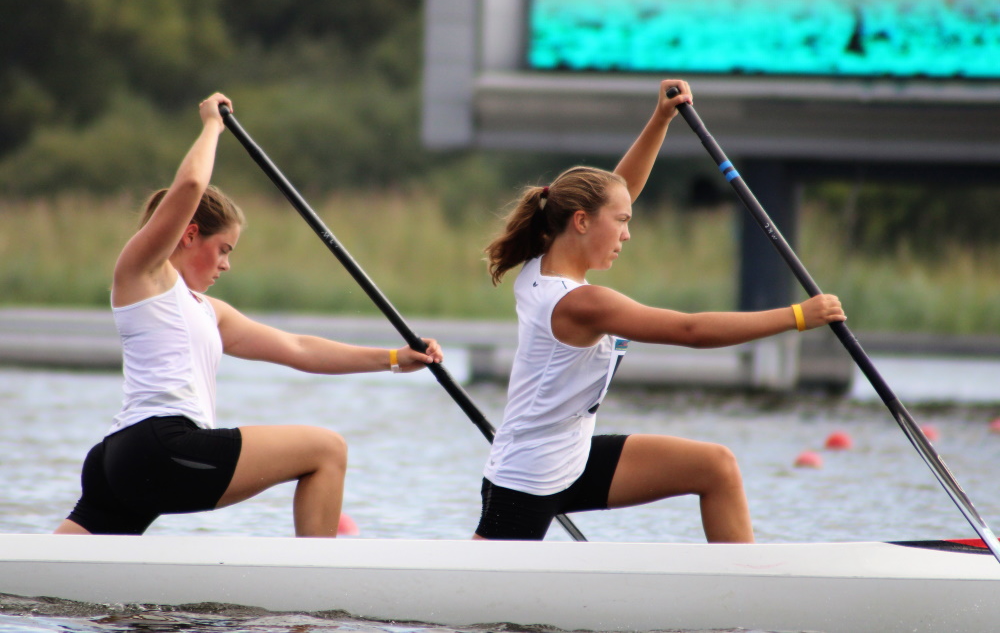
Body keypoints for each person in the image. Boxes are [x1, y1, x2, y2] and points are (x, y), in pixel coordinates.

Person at [55, 93, 442, 537]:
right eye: (223, 250)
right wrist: (211, 126)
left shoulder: (208, 312)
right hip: (161, 448)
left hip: (118, 460)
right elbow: (189, 189)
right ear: (189, 234)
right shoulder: (142, 274)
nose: (226, 265)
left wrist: (394, 358)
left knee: (56, 576)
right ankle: (318, 592)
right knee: (327, 450)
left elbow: (299, 349)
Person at [474, 79, 845, 542]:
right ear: (581, 222)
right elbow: (690, 330)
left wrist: (661, 119)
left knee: (716, 467)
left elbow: (619, 189)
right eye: (623, 223)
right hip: (526, 478)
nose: (628, 234)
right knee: (483, 600)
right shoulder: (584, 303)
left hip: (572, 456)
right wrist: (795, 316)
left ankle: (746, 592)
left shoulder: (542, 262)